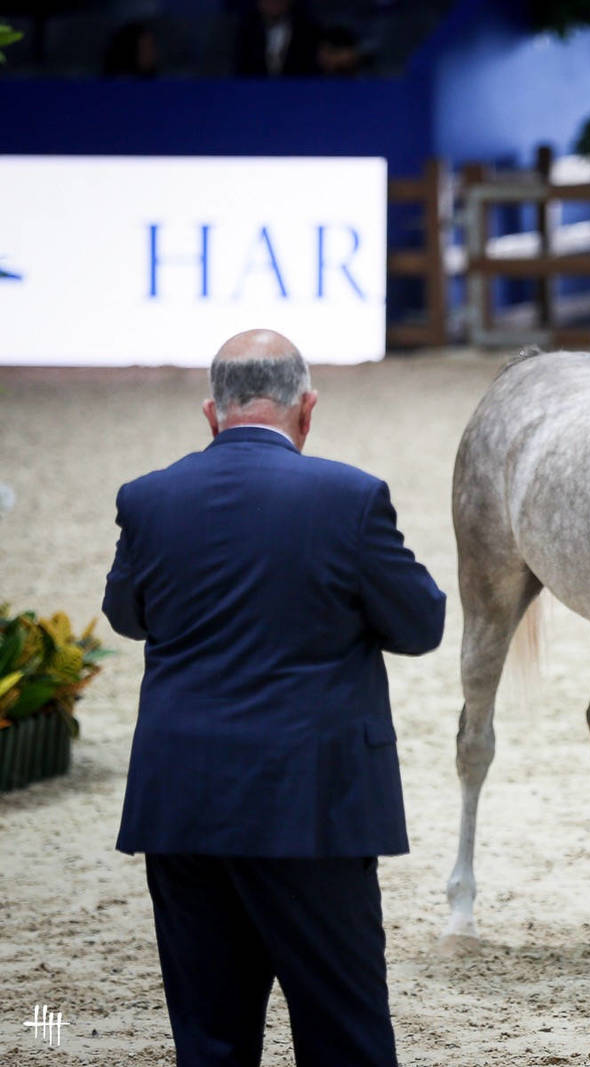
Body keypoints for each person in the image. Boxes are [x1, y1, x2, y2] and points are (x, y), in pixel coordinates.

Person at [104, 329, 446, 1067]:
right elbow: (421, 625)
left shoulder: (147, 498)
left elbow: (126, 616)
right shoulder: (351, 498)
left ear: (212, 412)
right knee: (345, 1036)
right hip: (312, 807)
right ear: (307, 409)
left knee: (210, 1040)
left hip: (184, 804)